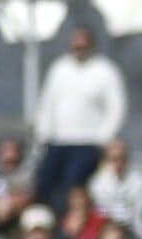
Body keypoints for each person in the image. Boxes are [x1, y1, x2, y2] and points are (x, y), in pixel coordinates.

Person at [34, 25, 126, 211]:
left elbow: (117, 107)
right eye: (75, 46)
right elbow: (47, 104)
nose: (79, 51)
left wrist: (102, 138)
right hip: (57, 140)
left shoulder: (105, 71)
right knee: (43, 185)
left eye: (82, 46)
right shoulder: (59, 69)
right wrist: (44, 133)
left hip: (87, 141)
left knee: (72, 187)